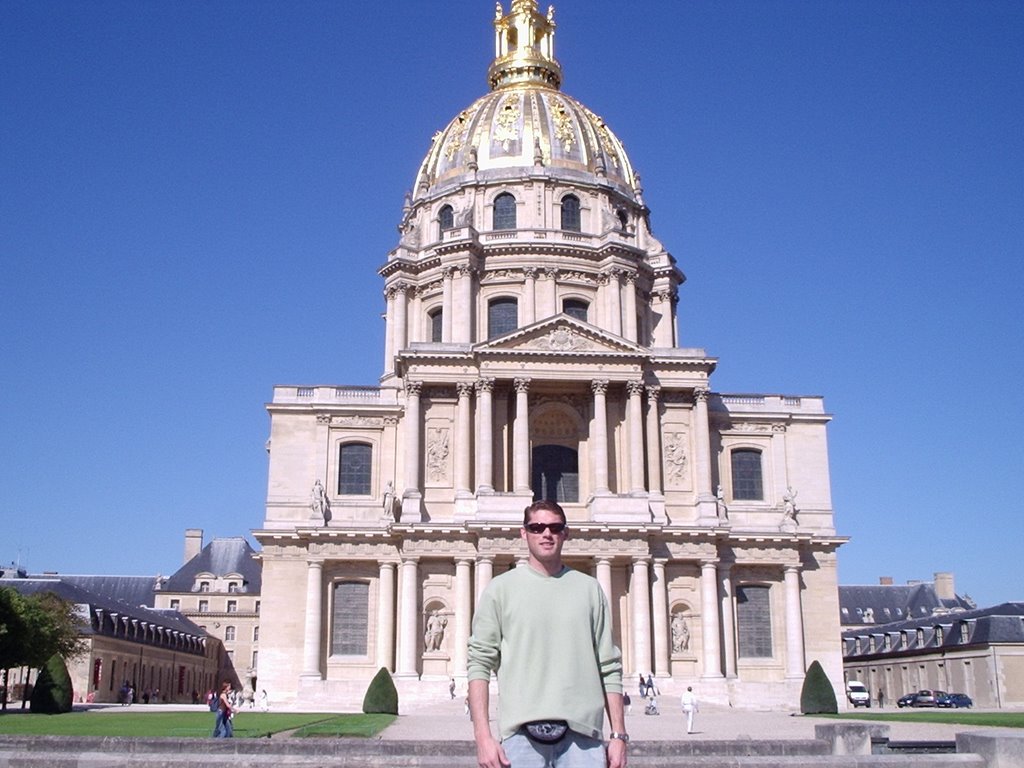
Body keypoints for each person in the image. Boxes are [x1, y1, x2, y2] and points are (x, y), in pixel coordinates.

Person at [467, 500, 627, 768]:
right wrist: (483, 737)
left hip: (583, 739)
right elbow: (479, 664)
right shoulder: (499, 589)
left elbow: (609, 666)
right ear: (524, 532)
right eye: (537, 527)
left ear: (566, 532)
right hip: (520, 739)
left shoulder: (590, 590)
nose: (546, 533)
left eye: (554, 527)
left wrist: (619, 735)